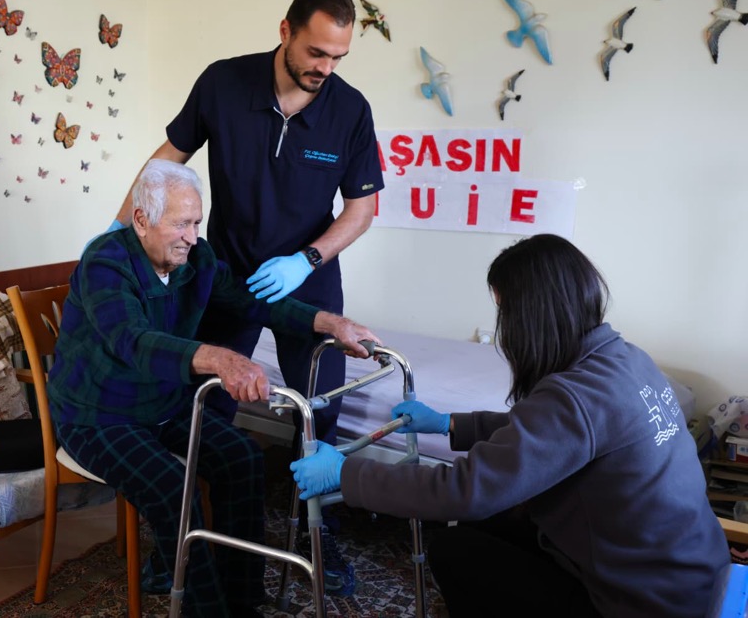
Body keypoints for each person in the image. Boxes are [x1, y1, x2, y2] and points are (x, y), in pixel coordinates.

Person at [102, 0, 383, 596]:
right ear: (285, 32)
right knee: (203, 408)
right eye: (316, 53)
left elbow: (362, 210)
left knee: (321, 414)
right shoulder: (224, 84)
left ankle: (320, 531)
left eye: (338, 57)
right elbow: (164, 164)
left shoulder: (350, 110)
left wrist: (306, 259)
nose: (325, 69)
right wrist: (118, 238)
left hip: (305, 282)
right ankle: (182, 532)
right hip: (224, 278)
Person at [289, 234, 729, 617]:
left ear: (531, 314)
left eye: (504, 312)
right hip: (689, 577)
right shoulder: (626, 359)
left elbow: (463, 491)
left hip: (638, 605)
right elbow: (547, 435)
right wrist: (449, 424)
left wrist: (346, 473)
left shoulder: (574, 397)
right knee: (493, 522)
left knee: (453, 547)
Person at [50, 160, 380, 618]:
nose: (191, 235)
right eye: (181, 223)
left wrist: (331, 323)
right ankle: (206, 610)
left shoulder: (196, 259)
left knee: (243, 459)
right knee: (171, 487)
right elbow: (132, 341)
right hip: (98, 415)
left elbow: (251, 302)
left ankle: (242, 599)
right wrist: (219, 358)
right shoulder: (105, 262)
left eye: (197, 223)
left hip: (162, 404)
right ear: (142, 219)